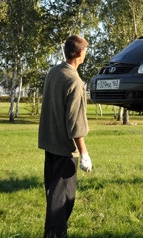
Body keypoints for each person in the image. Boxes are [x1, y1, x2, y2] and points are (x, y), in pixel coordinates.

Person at [38, 35, 93, 238]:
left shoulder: (54, 72)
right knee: (62, 204)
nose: (86, 54)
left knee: (54, 199)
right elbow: (76, 124)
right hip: (64, 150)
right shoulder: (74, 81)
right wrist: (84, 153)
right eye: (85, 51)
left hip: (49, 146)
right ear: (79, 53)